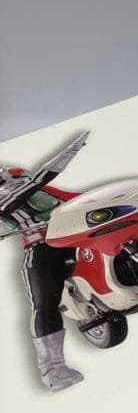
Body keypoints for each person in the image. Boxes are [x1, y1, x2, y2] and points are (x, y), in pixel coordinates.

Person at [0, 131, 89, 390]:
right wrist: (71, 151)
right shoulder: (12, 193)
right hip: (42, 246)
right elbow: (38, 181)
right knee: (43, 304)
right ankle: (53, 369)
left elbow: (69, 197)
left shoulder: (29, 181)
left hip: (77, 235)